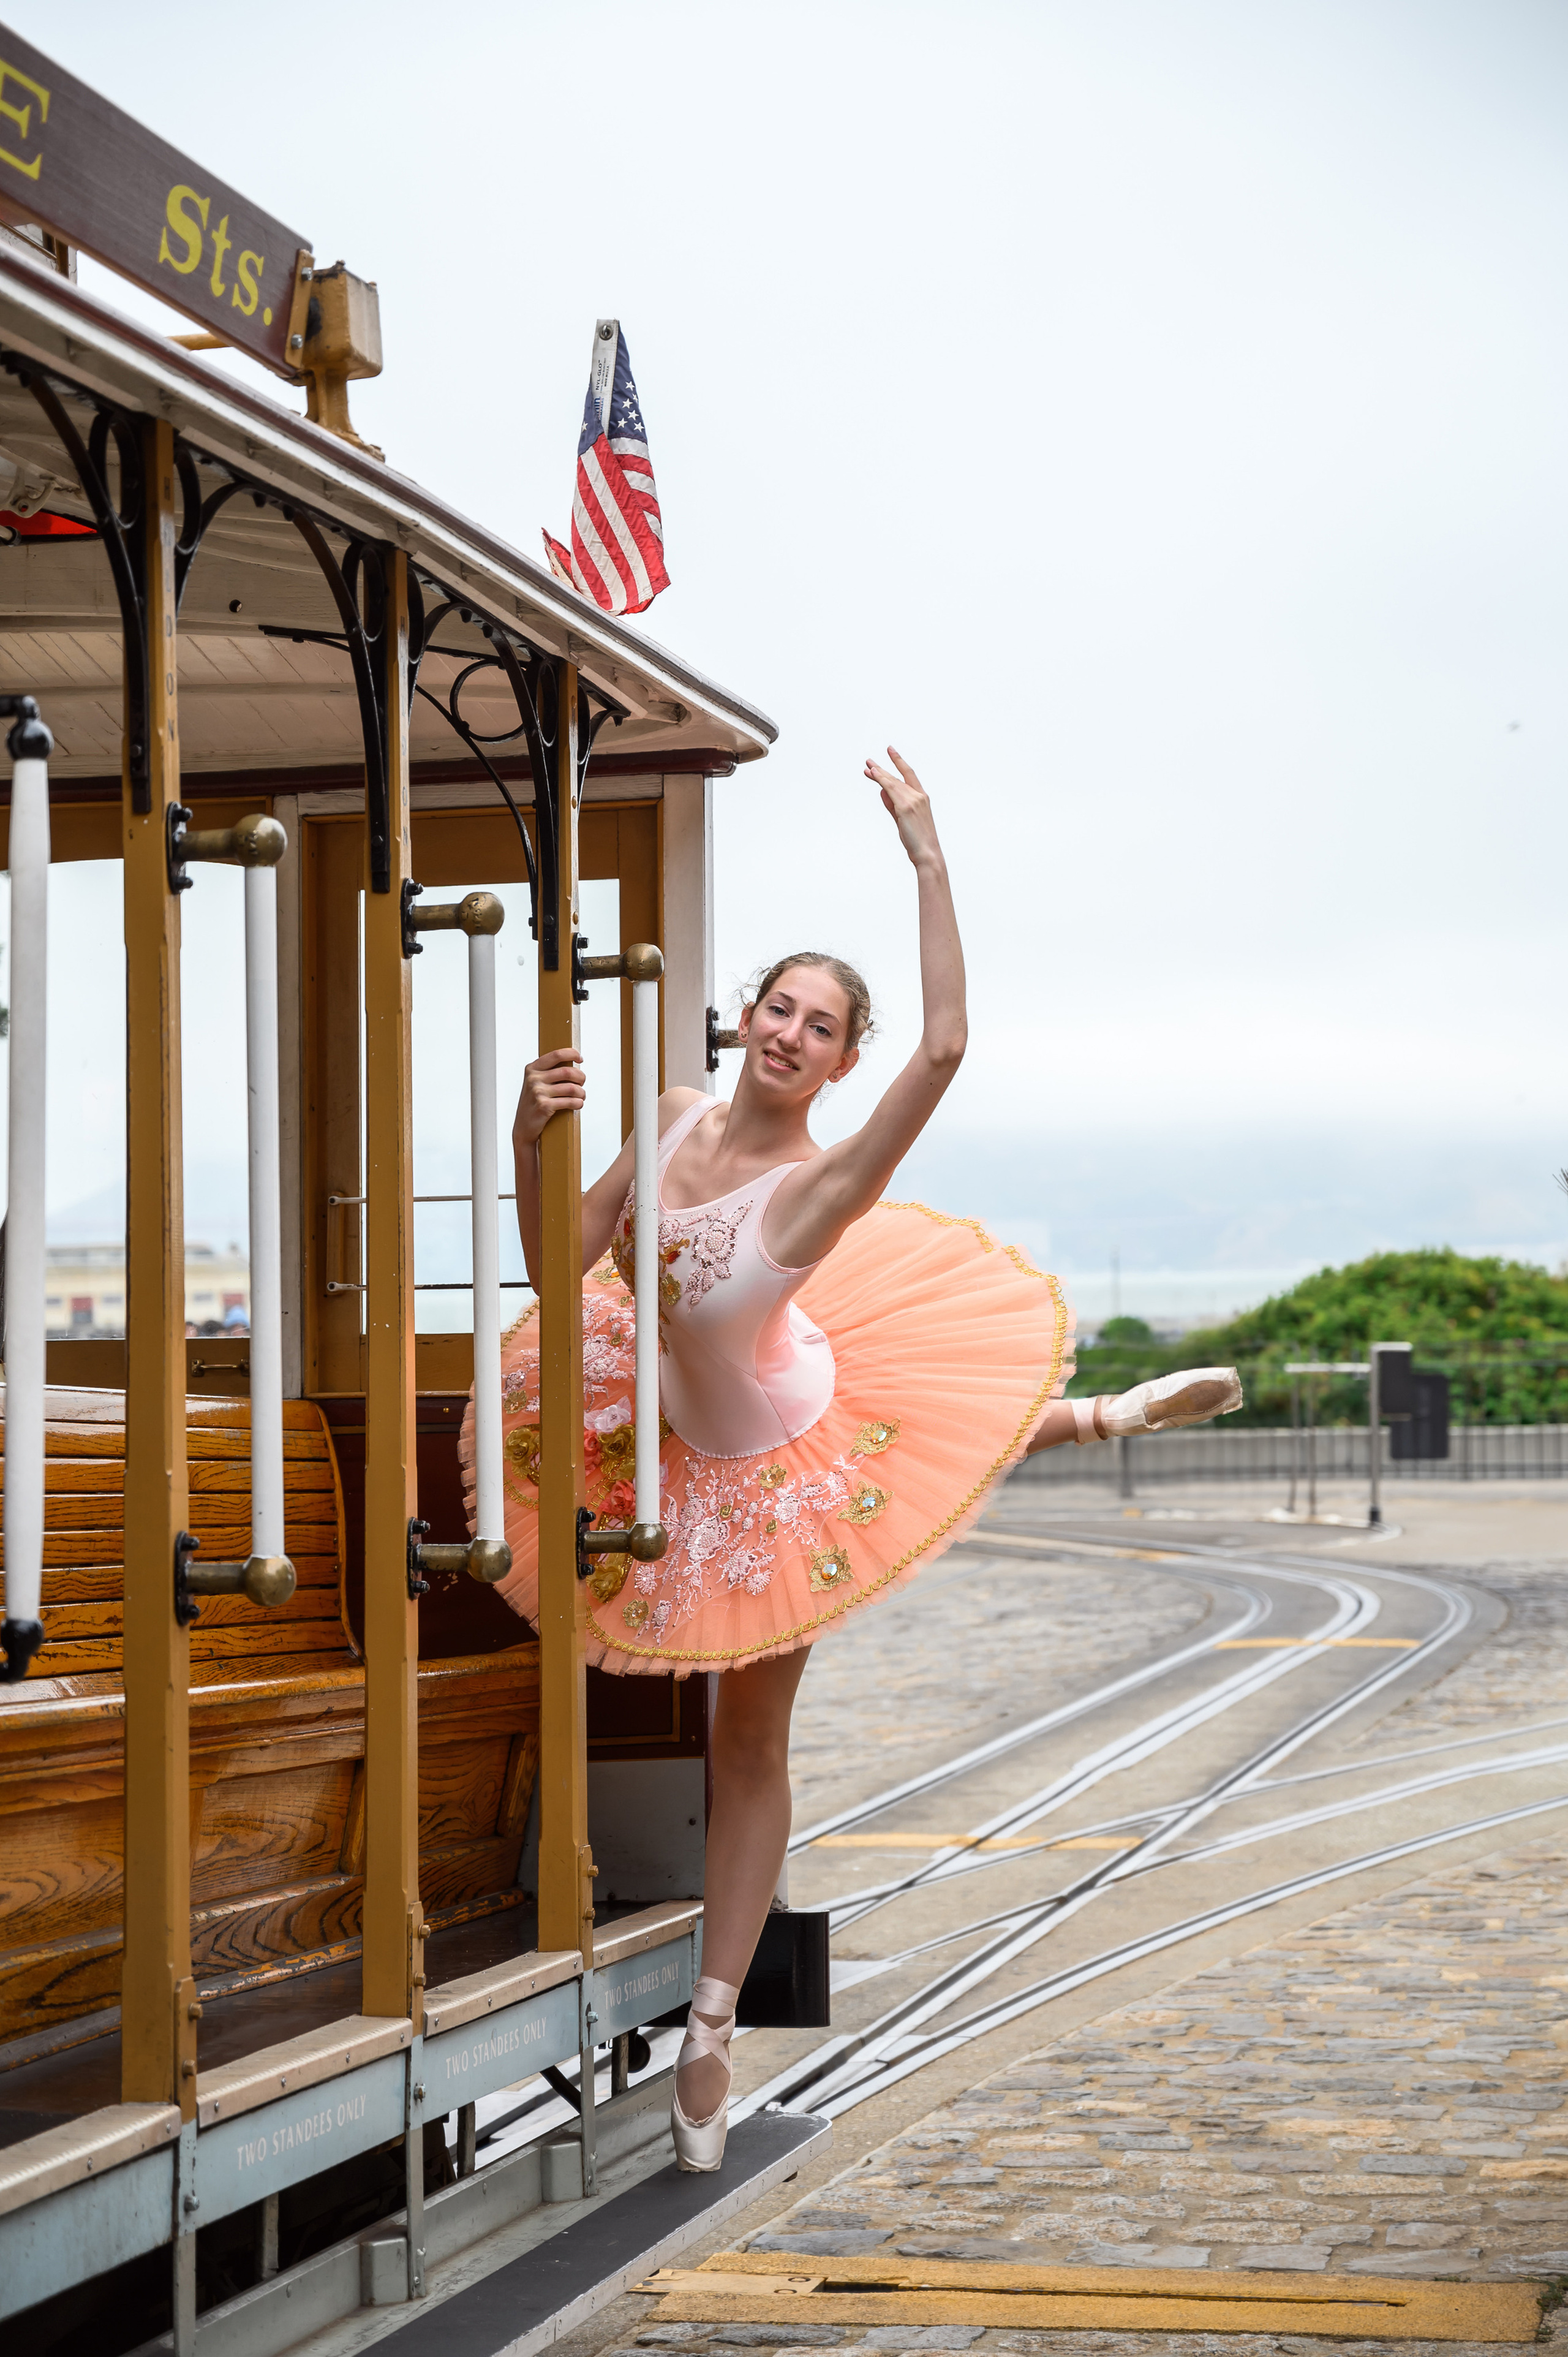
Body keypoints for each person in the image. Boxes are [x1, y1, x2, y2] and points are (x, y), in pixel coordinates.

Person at [472, 748, 1240, 2172]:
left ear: (837, 1058)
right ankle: (1100, 1416)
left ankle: (709, 2030)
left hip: (763, 1455)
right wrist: (527, 1136)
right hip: (667, 1421)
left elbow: (944, 1047)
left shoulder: (825, 1182)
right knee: (655, 1646)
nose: (789, 1033)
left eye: (821, 1025)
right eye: (778, 1005)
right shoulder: (662, 1119)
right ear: (751, 1015)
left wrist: (925, 853)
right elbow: (549, 1264)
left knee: (747, 1736)